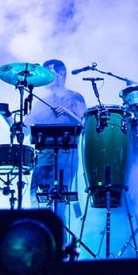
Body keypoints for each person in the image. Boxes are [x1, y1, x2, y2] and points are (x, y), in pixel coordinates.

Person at [25, 59, 87, 215]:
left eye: (49, 72)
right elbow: (25, 129)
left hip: (66, 153)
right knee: (35, 197)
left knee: (59, 202)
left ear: (61, 74)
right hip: (43, 155)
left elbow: (85, 125)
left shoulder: (75, 97)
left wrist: (67, 112)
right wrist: (5, 114)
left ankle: (60, 237)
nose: (45, 76)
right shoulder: (42, 102)